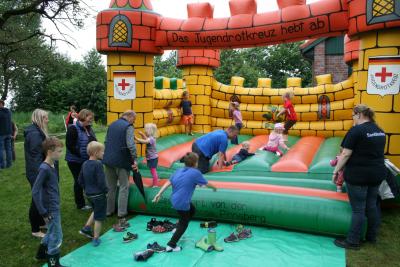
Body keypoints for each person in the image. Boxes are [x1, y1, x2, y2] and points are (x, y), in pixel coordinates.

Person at [333, 104, 386, 250]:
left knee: (358, 209)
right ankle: (371, 236)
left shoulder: (356, 131)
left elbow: (345, 153)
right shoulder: (379, 130)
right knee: (371, 205)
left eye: (353, 116)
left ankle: (353, 241)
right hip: (376, 174)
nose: (353, 118)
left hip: (358, 176)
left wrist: (335, 172)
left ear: (359, 114)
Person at [152, 152, 217, 252]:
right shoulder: (195, 173)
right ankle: (171, 245)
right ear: (195, 163)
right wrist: (214, 188)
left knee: (192, 210)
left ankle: (176, 229)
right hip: (182, 202)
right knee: (184, 223)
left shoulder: (178, 171)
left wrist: (159, 194)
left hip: (174, 200)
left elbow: (168, 182)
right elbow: (207, 183)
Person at [32, 137, 66, 267]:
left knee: (52, 231)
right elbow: (35, 191)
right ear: (50, 152)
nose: (61, 153)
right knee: (57, 235)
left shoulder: (52, 165)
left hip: (54, 205)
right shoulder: (44, 168)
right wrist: (43, 212)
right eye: (59, 151)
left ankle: (41, 254)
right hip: (50, 209)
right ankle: (53, 264)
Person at [103, 110, 137, 230]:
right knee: (124, 186)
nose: (134, 121)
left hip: (108, 159)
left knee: (110, 186)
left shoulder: (112, 124)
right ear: (129, 117)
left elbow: (106, 141)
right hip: (121, 160)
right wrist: (134, 159)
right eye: (134, 119)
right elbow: (131, 145)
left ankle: (108, 211)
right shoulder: (128, 126)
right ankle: (121, 213)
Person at [24, 109, 50, 238]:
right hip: (36, 171)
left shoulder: (36, 131)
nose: (47, 120)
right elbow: (36, 156)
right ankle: (35, 229)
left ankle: (40, 222)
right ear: (39, 118)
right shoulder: (34, 134)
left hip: (37, 169)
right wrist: (43, 171)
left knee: (41, 197)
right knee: (37, 199)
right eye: (45, 118)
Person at [78, 141, 108, 247]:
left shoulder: (85, 164)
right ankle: (96, 238)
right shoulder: (98, 164)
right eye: (102, 152)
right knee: (99, 217)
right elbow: (101, 181)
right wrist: (106, 190)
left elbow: (80, 180)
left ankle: (86, 228)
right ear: (96, 153)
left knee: (96, 210)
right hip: (99, 195)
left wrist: (87, 189)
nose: (103, 153)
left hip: (89, 194)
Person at [65, 109, 96, 210]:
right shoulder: (72, 129)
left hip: (86, 160)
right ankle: (80, 204)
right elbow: (70, 145)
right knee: (79, 181)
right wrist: (81, 154)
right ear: (83, 117)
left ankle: (91, 201)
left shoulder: (89, 128)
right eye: (89, 118)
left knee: (88, 180)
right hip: (75, 161)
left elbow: (94, 141)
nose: (91, 120)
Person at [135, 123, 159, 187]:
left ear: (150, 131)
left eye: (146, 130)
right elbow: (146, 139)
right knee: (153, 171)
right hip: (151, 158)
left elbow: (144, 141)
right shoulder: (151, 138)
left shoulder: (151, 139)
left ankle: (156, 184)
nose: (145, 131)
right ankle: (156, 180)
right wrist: (142, 134)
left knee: (153, 171)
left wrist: (136, 138)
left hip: (152, 158)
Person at [0, 99, 13, 169]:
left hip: (1, 134)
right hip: (9, 133)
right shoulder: (9, 112)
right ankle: (9, 164)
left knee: (1, 150)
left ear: (1, 104)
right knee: (8, 149)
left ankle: (2, 165)